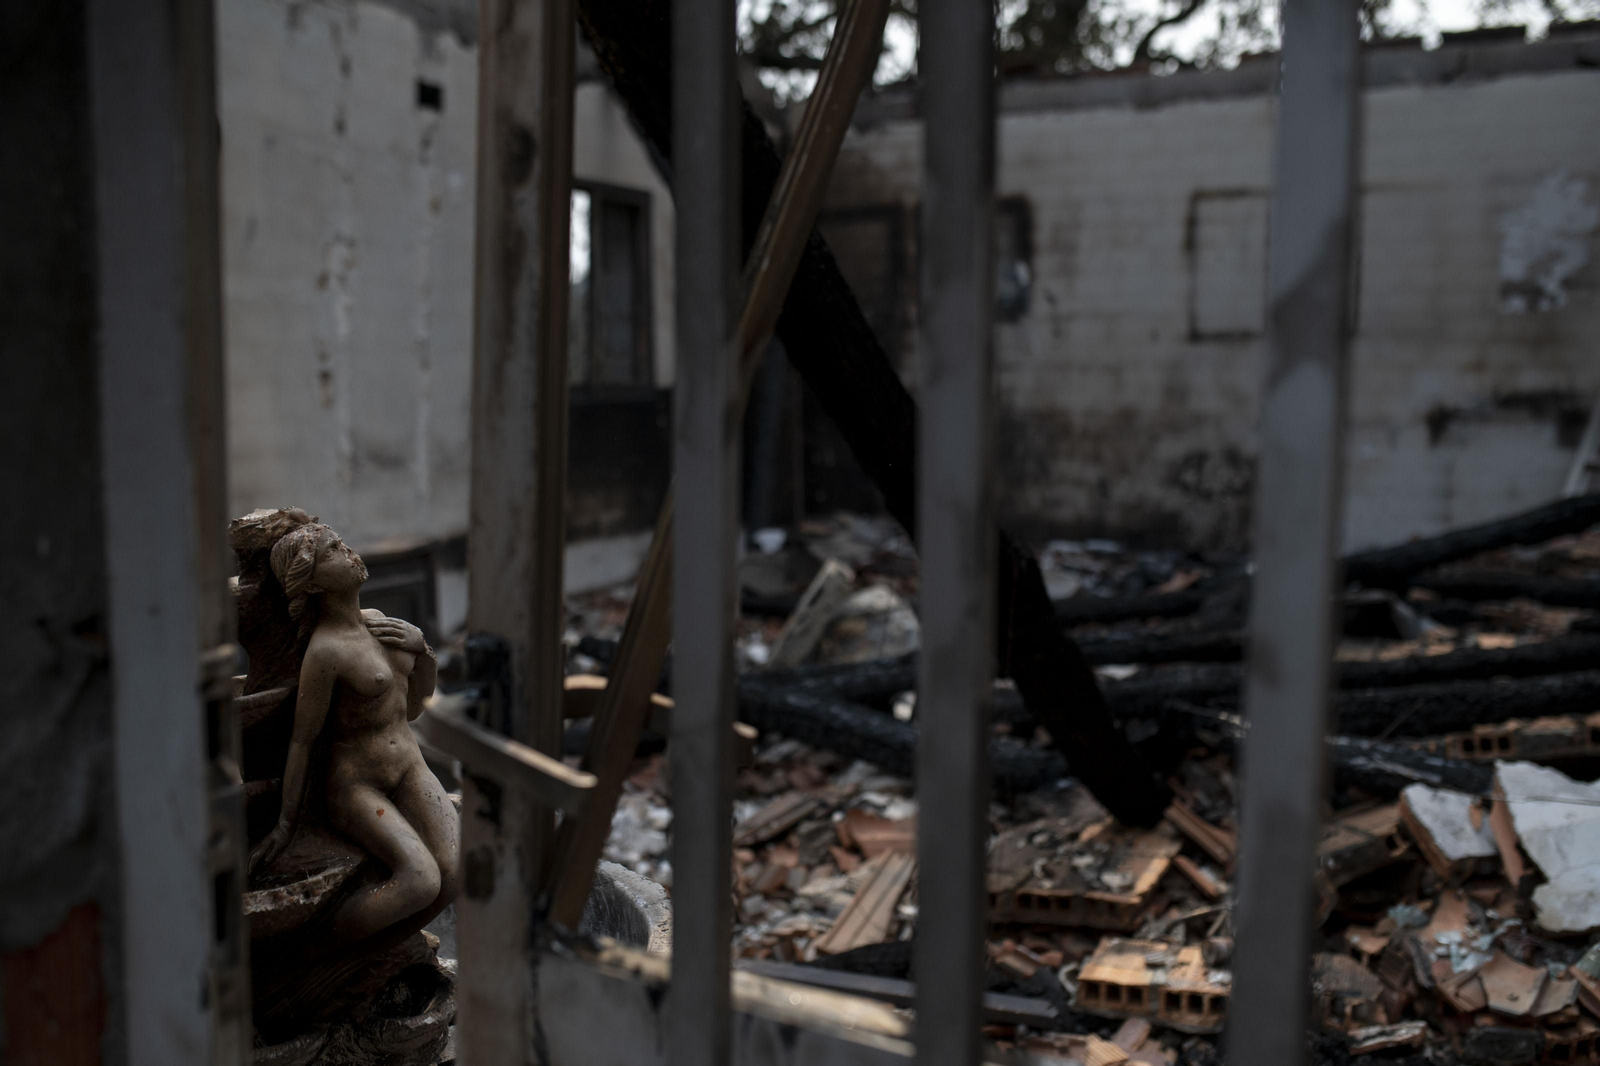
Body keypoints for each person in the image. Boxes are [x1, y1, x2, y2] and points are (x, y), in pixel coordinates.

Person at [249, 521, 458, 941]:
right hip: (358, 785)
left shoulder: (380, 624)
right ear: (310, 583)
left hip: (409, 765)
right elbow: (302, 740)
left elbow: (414, 708)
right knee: (420, 879)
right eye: (331, 552)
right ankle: (327, 953)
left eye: (340, 543)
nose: (348, 552)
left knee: (455, 873)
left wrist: (423, 650)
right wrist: (286, 823)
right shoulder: (326, 651)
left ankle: (386, 952)